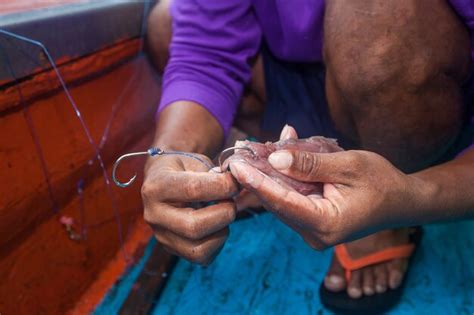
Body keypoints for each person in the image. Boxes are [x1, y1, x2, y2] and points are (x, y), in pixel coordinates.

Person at [142, 0, 474, 312]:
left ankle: (389, 202)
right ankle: (286, 173)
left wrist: (412, 196)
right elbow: (204, 52)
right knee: (165, 25)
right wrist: (169, 154)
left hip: (408, 72)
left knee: (376, 19)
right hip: (305, 78)